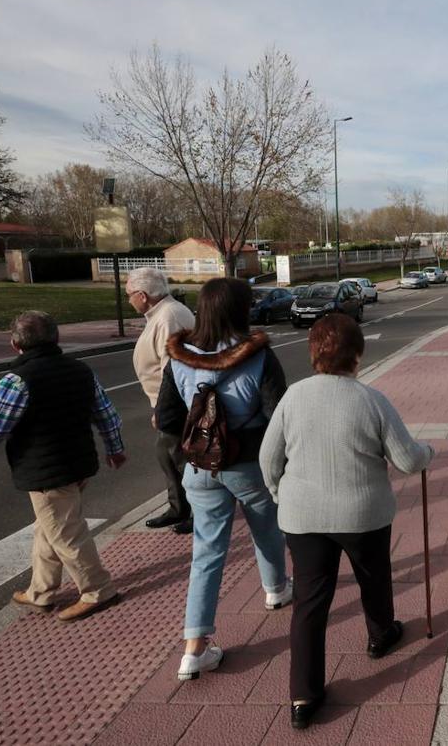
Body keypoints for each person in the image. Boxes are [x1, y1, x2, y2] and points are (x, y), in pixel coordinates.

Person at [259, 313, 433, 730]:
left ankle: (303, 695)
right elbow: (408, 459)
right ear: (357, 354)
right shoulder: (371, 399)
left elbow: (268, 459)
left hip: (302, 516)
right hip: (363, 513)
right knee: (373, 575)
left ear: (313, 352)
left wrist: (283, 495)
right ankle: (379, 634)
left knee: (309, 601)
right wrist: (429, 452)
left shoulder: (293, 397)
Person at [155, 277, 292, 682]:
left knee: (207, 553)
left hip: (199, 468)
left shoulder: (178, 356)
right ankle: (276, 589)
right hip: (247, 465)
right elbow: (277, 414)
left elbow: (166, 418)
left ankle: (194, 649)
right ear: (241, 309)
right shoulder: (259, 355)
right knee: (266, 529)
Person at [0, 311, 126, 622]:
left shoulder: (18, 380)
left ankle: (99, 590)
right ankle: (41, 592)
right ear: (56, 338)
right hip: (78, 463)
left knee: (65, 532)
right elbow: (105, 413)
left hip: (47, 469)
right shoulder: (80, 370)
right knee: (49, 528)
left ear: (15, 344)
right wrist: (114, 447)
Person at [126, 266, 196, 534]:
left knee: (180, 457)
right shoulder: (162, 313)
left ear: (143, 295)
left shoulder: (169, 316)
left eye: (130, 294)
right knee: (166, 455)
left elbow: (173, 368)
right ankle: (179, 507)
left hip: (175, 405)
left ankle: (196, 510)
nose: (128, 299)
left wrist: (164, 408)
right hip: (167, 402)